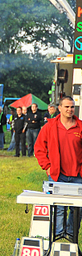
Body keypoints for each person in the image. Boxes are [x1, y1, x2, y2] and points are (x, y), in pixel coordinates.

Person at [35, 96, 82, 238]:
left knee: (77, 209)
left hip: (77, 176)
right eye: (66, 107)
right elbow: (39, 148)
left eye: (72, 107)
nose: (70, 109)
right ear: (59, 108)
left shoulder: (80, 126)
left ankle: (71, 236)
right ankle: (57, 237)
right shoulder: (50, 126)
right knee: (59, 208)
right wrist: (47, 167)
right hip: (57, 175)